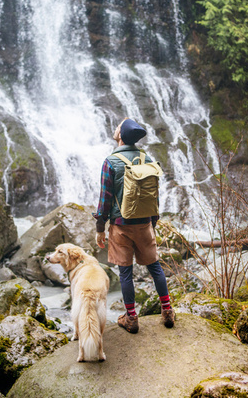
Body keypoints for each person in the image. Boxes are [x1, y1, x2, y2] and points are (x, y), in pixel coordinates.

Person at [93, 118, 175, 333]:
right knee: (155, 267)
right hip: (145, 222)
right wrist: (152, 223)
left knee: (125, 272)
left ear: (120, 135)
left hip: (121, 225)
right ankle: (167, 311)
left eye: (118, 126)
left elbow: (105, 200)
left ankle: (131, 318)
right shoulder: (146, 158)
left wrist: (100, 228)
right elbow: (153, 194)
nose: (116, 127)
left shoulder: (110, 162)